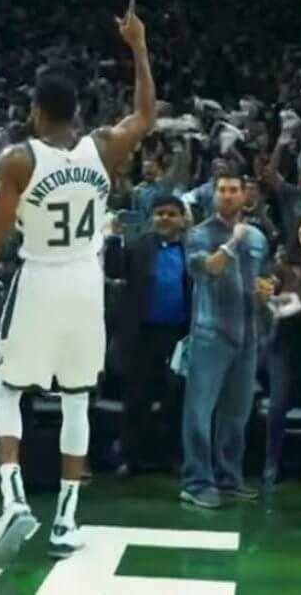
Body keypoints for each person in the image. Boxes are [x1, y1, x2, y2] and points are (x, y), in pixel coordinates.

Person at [0, 0, 155, 564]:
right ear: (77, 111)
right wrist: (138, 47)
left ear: (37, 110)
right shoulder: (103, 148)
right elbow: (145, 114)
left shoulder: (19, 160)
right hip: (87, 281)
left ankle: (14, 500)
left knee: (7, 387)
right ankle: (65, 519)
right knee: (77, 398)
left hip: (40, 278)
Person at [180, 172, 272, 508]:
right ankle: (196, 482)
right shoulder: (199, 234)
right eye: (222, 190)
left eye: (234, 190)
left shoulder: (258, 237)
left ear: (245, 195)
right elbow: (205, 269)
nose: (228, 195)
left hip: (248, 334)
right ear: (214, 195)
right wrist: (232, 243)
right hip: (210, 335)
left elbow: (264, 277)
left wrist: (266, 290)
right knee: (199, 412)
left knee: (236, 414)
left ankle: (228, 478)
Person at [107, 194, 191, 477]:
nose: (165, 218)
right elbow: (114, 270)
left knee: (176, 398)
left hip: (178, 335)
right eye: (160, 213)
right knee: (136, 398)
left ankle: (174, 458)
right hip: (142, 335)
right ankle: (130, 458)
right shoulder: (138, 245)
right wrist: (114, 239)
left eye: (171, 214)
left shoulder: (191, 249)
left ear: (182, 219)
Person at [263, 212, 301, 493]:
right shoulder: (283, 265)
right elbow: (270, 293)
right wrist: (273, 297)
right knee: (277, 405)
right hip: (284, 343)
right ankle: (271, 465)